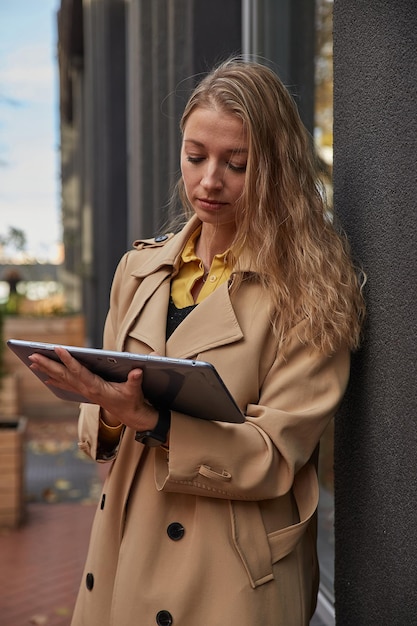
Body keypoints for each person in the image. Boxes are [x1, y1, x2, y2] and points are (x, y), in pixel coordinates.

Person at [29, 58, 365, 626]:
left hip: (226, 576)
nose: (210, 181)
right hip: (121, 555)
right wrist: (106, 408)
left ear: (277, 168)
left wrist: (150, 418)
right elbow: (98, 435)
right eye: (195, 156)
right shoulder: (139, 269)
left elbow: (276, 457)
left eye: (237, 164)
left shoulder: (313, 290)